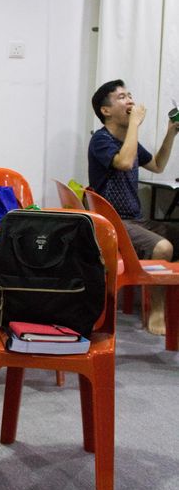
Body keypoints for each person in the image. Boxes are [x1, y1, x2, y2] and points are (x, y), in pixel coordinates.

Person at [88, 79, 179, 333]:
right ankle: (156, 311)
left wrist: (170, 133)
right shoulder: (101, 140)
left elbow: (157, 165)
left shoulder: (130, 141)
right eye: (121, 97)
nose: (130, 100)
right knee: (162, 247)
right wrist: (136, 125)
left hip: (135, 220)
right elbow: (125, 162)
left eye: (130, 95)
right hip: (114, 223)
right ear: (106, 110)